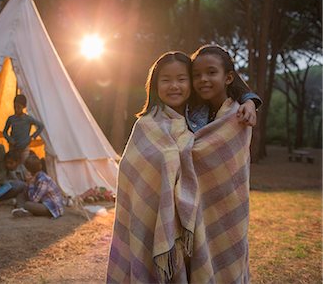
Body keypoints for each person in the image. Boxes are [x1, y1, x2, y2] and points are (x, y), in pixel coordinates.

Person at [107, 50, 255, 283]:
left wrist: (249, 99)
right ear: (155, 85)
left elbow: (216, 154)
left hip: (207, 216)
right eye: (166, 80)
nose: (174, 86)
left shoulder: (217, 118)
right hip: (156, 217)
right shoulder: (146, 125)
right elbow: (131, 173)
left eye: (182, 79)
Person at [186, 44, 253, 283]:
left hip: (228, 206)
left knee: (227, 261)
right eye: (196, 75)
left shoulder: (239, 116)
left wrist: (250, 100)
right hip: (192, 206)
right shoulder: (189, 111)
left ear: (228, 78)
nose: (203, 79)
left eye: (211, 72)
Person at [14, 155, 64, 219]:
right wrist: (28, 183)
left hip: (51, 207)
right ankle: (20, 209)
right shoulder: (36, 176)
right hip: (42, 201)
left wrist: (30, 183)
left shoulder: (43, 180)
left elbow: (34, 200)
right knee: (21, 194)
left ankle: (24, 208)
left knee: (28, 204)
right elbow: (30, 194)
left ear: (29, 170)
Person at [3, 94, 44, 163]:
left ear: (24, 107)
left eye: (18, 107)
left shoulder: (28, 119)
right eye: (15, 107)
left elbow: (41, 126)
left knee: (24, 165)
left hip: (24, 147)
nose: (16, 109)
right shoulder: (11, 119)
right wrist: (9, 139)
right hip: (13, 147)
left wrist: (32, 137)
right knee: (13, 164)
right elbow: (4, 132)